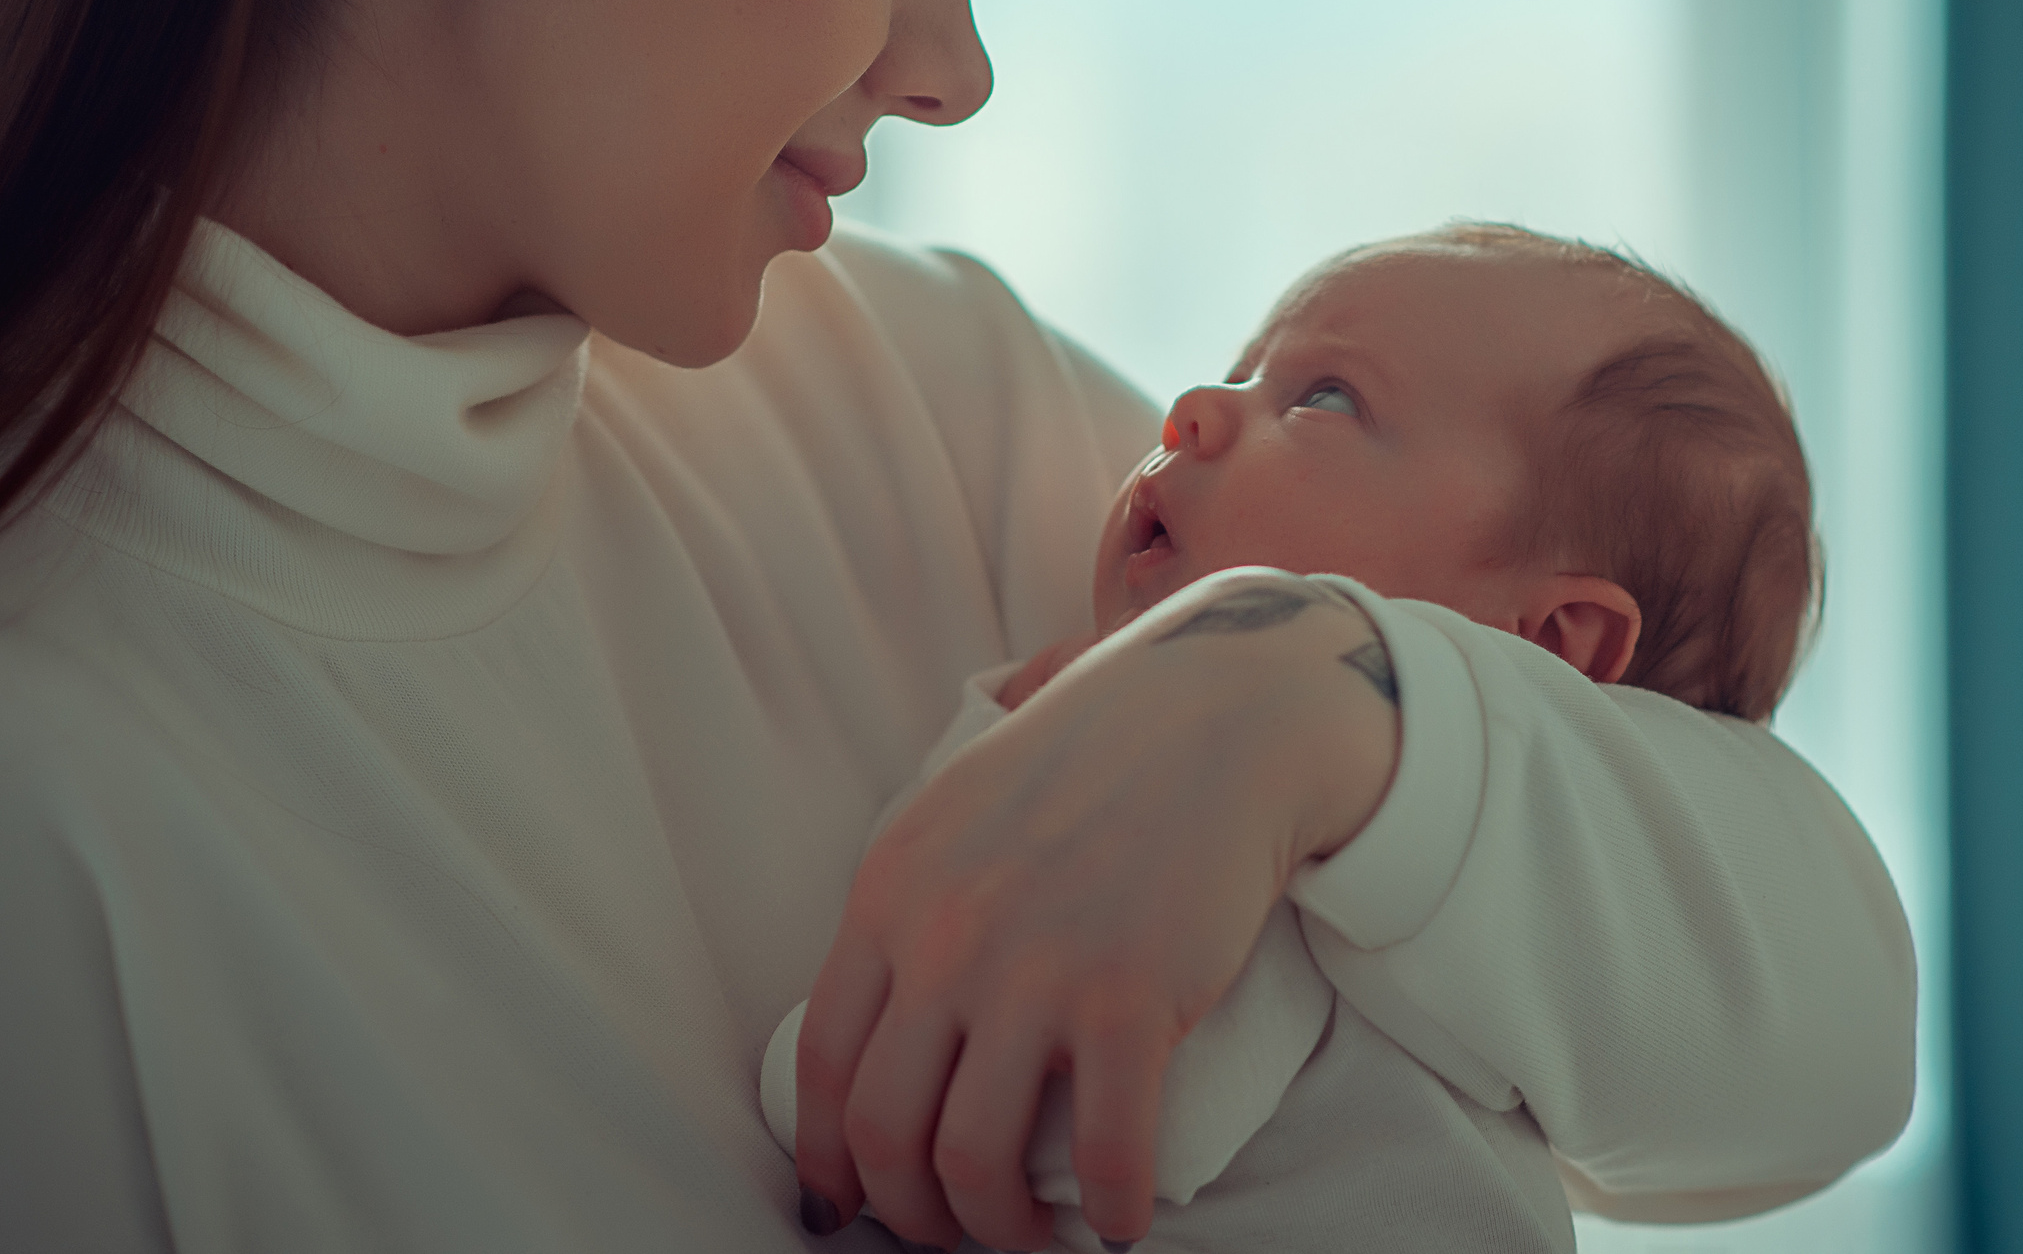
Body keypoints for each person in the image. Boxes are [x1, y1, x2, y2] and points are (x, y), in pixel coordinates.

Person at [0, 0, 1915, 1252]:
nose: (958, 66)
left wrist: (1311, 694)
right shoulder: (59, 803)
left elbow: (1832, 1047)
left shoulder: (913, 399)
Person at [758, 224, 1911, 1253]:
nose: (1194, 406)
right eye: (1243, 367)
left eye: (1323, 399)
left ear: (1550, 643)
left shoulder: (1304, 889)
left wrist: (809, 1057)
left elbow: (1063, 1115)